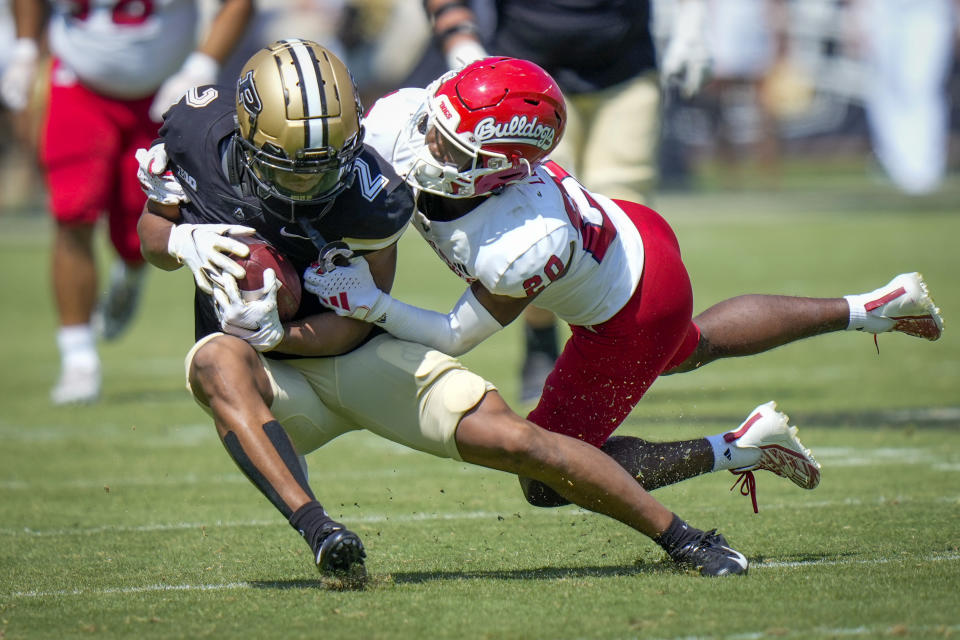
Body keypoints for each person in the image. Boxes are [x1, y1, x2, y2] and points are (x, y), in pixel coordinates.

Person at [136, 39, 753, 582]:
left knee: (522, 443)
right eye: (296, 168)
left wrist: (284, 329)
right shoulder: (194, 135)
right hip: (272, 380)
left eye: (330, 163)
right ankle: (320, 530)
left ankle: (685, 538)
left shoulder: (373, 192)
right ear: (247, 130)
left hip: (358, 351)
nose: (314, 184)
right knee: (215, 361)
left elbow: (359, 319)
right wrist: (180, 238)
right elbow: (153, 235)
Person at [303, 57, 944, 510]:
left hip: (632, 310)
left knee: (547, 476)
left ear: (500, 172)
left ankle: (740, 447)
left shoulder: (518, 242)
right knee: (693, 348)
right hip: (630, 232)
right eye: (434, 132)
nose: (424, 153)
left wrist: (372, 304)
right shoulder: (404, 120)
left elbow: (452, 335)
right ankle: (871, 307)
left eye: (452, 154)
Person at [416, 0, 712, 403]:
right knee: (537, 221)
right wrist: (458, 34)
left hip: (625, 67)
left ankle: (607, 348)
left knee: (623, 214)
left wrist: (694, 24)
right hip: (527, 82)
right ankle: (540, 342)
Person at [0, 0, 254, 405]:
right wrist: (26, 46)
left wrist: (201, 65)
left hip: (163, 90)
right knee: (72, 214)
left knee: (146, 229)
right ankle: (78, 357)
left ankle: (131, 273)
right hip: (78, 82)